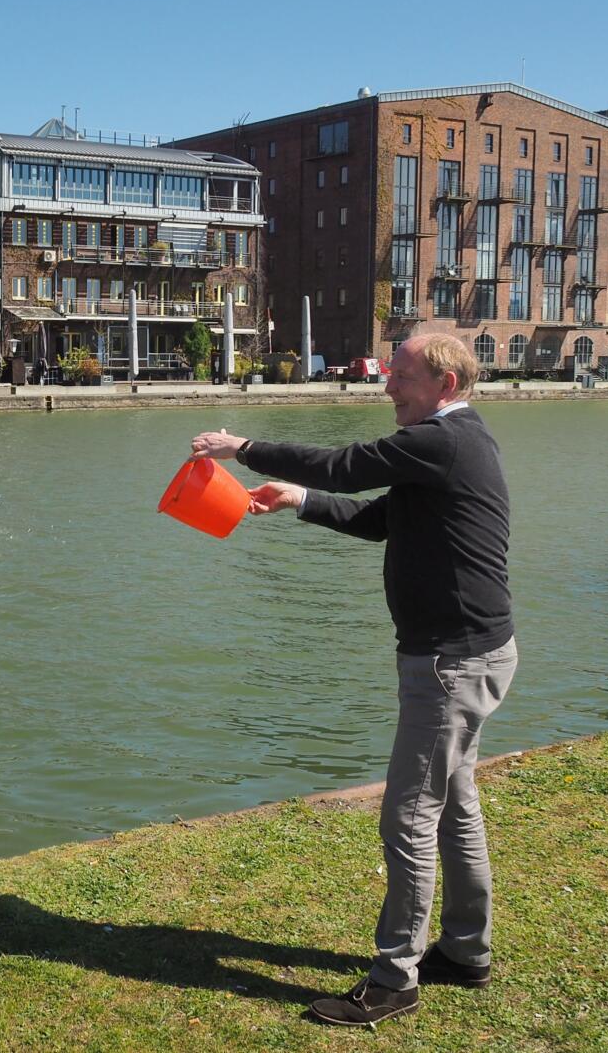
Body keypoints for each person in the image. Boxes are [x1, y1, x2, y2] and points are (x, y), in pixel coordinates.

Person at [190, 332, 515, 1028]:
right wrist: (296, 501)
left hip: (449, 662)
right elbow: (377, 520)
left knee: (408, 816)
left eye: (400, 377)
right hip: (473, 654)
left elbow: (346, 465)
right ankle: (465, 950)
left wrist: (242, 447)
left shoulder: (440, 441)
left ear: (445, 384)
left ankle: (395, 980)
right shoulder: (454, 443)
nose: (388, 387)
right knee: (454, 805)